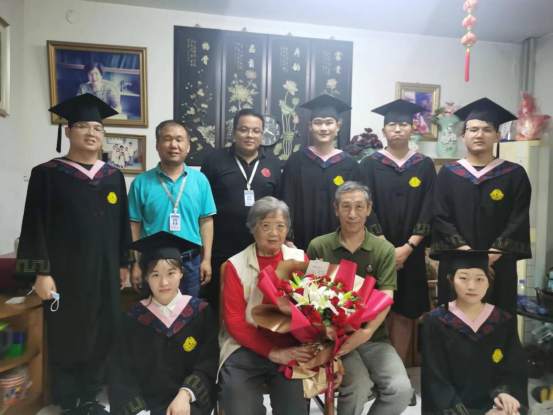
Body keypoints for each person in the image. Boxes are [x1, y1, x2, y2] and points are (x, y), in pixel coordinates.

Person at [15, 93, 133, 414]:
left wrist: (124, 263)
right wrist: (40, 272)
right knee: (66, 332)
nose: (91, 132)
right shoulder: (47, 174)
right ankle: (68, 401)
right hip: (63, 273)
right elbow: (34, 225)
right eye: (82, 126)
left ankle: (90, 397)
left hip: (105, 271)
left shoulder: (113, 177)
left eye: (98, 127)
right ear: (67, 131)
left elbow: (123, 224)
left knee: (102, 330)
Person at [219, 197, 342, 415]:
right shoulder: (234, 265)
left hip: (293, 348)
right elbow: (235, 322)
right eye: (266, 226)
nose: (274, 233)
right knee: (240, 406)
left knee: (293, 409)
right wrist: (274, 353)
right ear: (252, 228)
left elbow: (320, 310)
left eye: (280, 226)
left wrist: (330, 354)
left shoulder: (300, 258)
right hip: (245, 348)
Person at [306, 181, 412, 415]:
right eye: (345, 207)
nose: (352, 214)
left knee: (401, 390)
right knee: (358, 386)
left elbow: (386, 296)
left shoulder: (383, 249)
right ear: (336, 209)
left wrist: (367, 332)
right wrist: (328, 331)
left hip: (374, 337)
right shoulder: (319, 246)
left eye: (359, 207)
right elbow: (310, 295)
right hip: (333, 340)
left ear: (369, 209)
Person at [431, 98, 532, 315]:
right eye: (473, 129)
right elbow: (440, 216)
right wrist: (468, 255)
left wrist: (491, 256)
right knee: (455, 321)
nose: (479, 135)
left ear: (497, 135)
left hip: (499, 263)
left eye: (487, 130)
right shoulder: (448, 174)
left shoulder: (514, 175)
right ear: (463, 136)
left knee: (498, 318)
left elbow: (518, 218)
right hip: (457, 262)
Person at [360, 99, 436, 364]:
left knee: (404, 312)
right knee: (374, 311)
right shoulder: (369, 164)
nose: (397, 129)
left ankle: (398, 373)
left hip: (411, 253)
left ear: (412, 129)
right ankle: (376, 374)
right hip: (375, 251)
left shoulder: (424, 165)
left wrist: (408, 247)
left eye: (403, 124)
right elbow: (365, 206)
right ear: (383, 130)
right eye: (392, 124)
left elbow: (430, 207)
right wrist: (385, 247)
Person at [109, 232, 218, 415]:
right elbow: (122, 374)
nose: (164, 282)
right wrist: (139, 412)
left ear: (181, 272)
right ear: (146, 277)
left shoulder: (200, 313)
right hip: (145, 407)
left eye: (171, 273)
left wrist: (186, 394)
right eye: (155, 274)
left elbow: (208, 363)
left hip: (187, 404)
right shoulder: (132, 319)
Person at [421, 250, 528, 415]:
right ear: (451, 280)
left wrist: (505, 394)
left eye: (480, 279)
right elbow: (435, 381)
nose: (472, 286)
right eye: (463, 278)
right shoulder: (436, 321)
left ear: (488, 282)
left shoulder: (501, 320)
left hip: (494, 404)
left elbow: (513, 367)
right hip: (453, 409)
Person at [201, 108, 281, 315]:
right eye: (244, 129)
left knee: (258, 301)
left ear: (262, 135)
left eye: (256, 131)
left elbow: (279, 206)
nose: (249, 135)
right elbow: (202, 206)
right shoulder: (214, 160)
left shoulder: (273, 163)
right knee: (220, 302)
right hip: (221, 247)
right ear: (234, 132)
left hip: (260, 248)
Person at [129, 120, 216, 298]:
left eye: (179, 139)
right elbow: (134, 226)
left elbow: (206, 221)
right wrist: (135, 264)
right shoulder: (141, 182)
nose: (173, 145)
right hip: (152, 262)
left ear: (188, 146)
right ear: (157, 145)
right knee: (151, 312)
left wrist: (206, 259)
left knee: (188, 312)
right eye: (167, 139)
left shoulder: (200, 181)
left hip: (190, 263)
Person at [280, 94, 359, 250]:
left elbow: (355, 206)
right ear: (310, 127)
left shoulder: (350, 164)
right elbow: (287, 201)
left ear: (338, 126)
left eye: (329, 123)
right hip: (300, 241)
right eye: (318, 123)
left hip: (341, 241)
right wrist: (288, 239)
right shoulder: (296, 161)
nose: (323, 128)